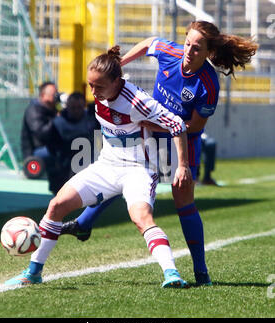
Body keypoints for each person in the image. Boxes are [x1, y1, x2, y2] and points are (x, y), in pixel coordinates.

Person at [60, 21, 258, 286]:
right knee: (121, 176)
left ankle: (201, 273)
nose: (189, 51)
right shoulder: (171, 53)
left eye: (197, 48)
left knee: (183, 202)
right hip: (150, 136)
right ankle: (84, 223)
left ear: (209, 52)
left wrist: (162, 131)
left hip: (182, 142)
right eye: (188, 43)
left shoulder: (208, 85)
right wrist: (122, 64)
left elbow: (195, 126)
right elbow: (149, 42)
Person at [5, 46, 193, 288]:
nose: (93, 91)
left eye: (98, 86)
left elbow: (177, 125)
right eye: (90, 85)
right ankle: (32, 272)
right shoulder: (100, 93)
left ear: (117, 81)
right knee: (56, 206)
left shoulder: (137, 101)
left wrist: (182, 166)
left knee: (141, 218)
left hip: (138, 169)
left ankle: (172, 274)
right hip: (106, 165)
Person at [21, 81, 63, 194]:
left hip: (49, 147)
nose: (56, 96)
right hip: (36, 152)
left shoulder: (53, 109)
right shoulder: (34, 110)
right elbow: (42, 134)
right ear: (43, 95)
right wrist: (57, 120)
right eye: (53, 94)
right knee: (62, 153)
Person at [53, 91, 95, 184]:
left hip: (89, 160)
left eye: (79, 108)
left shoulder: (92, 120)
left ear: (84, 107)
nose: (76, 111)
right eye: (73, 108)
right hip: (66, 162)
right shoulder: (58, 123)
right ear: (67, 106)